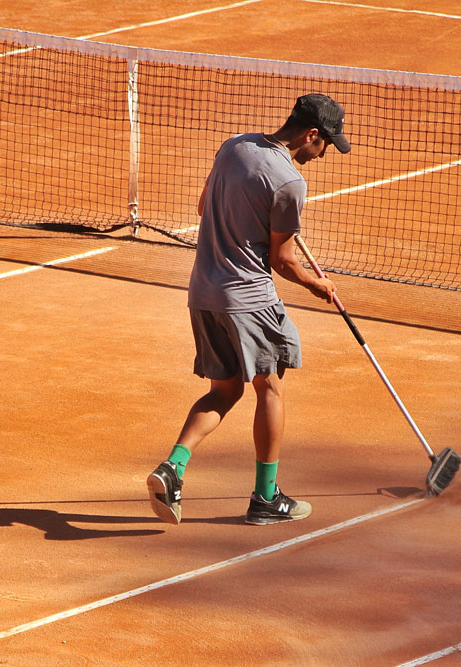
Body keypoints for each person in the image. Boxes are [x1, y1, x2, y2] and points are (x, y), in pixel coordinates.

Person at [147, 93, 351, 526]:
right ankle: (265, 498)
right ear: (311, 135)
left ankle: (172, 468)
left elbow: (205, 209)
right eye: (327, 143)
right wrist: (319, 284)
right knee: (269, 389)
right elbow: (282, 260)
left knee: (224, 391)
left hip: (203, 293)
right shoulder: (290, 182)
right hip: (249, 300)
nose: (325, 152)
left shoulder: (234, 145)